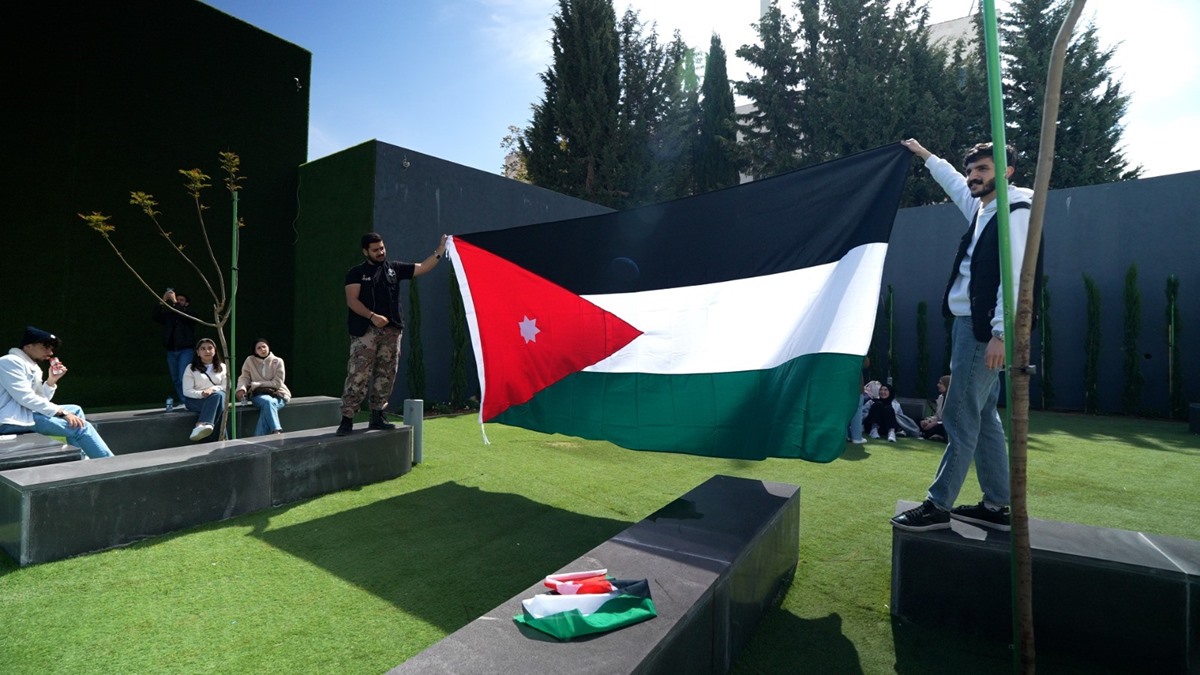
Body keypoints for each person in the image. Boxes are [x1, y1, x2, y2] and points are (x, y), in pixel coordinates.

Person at [891, 138, 1040, 533]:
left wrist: (1001, 334)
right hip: (970, 325)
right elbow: (956, 184)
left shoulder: (1015, 211)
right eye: (972, 170)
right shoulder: (984, 208)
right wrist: (926, 156)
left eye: (983, 170)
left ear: (1006, 172)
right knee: (984, 416)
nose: (974, 176)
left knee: (959, 416)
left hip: (982, 329)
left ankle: (938, 505)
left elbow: (1017, 276)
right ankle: (996, 505)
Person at [336, 231, 449, 436]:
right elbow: (352, 300)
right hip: (366, 331)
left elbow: (423, 267)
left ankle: (377, 415)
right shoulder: (356, 273)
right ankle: (347, 419)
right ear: (365, 252)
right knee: (358, 374)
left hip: (391, 331)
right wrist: (372, 316)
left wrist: (440, 250)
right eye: (375, 250)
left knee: (386, 374)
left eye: (382, 248)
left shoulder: (394, 269)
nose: (380, 252)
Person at [0, 326, 114, 459]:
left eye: (51, 348)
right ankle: (111, 464)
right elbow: (26, 398)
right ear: (28, 346)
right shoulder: (9, 362)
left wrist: (51, 381)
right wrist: (62, 412)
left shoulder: (30, 365)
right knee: (82, 428)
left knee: (75, 410)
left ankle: (81, 459)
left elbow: (40, 399)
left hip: (23, 415)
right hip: (7, 421)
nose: (50, 352)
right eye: (45, 347)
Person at [235, 338, 291, 436]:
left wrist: (257, 384)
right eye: (259, 348)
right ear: (255, 351)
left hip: (279, 394)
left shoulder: (278, 361)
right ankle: (276, 430)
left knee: (268, 405)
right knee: (268, 401)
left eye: (264, 346)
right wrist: (241, 388)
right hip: (259, 394)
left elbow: (277, 383)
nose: (262, 349)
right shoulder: (250, 360)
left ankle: (259, 437)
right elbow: (244, 377)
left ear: (268, 347)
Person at [152, 289, 198, 404]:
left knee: (183, 377)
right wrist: (163, 300)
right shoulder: (169, 316)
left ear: (186, 304)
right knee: (176, 379)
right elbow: (155, 316)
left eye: (181, 300)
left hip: (185, 350)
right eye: (177, 299)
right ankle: (183, 401)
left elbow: (183, 315)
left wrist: (174, 302)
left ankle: (188, 402)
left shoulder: (190, 314)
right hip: (171, 351)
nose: (178, 301)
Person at [183, 338, 227, 442]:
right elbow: (187, 391)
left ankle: (201, 425)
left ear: (215, 350)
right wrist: (202, 393)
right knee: (218, 404)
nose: (207, 351)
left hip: (217, 397)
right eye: (203, 349)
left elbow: (226, 386)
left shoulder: (223, 367)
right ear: (198, 352)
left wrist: (212, 389)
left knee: (218, 395)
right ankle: (221, 439)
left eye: (210, 348)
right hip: (196, 400)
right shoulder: (190, 368)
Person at [919, 375, 951, 441]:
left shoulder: (953, 400)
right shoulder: (940, 397)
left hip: (947, 425)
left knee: (939, 428)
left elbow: (950, 420)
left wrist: (936, 423)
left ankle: (937, 436)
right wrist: (928, 420)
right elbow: (937, 416)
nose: (938, 385)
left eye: (940, 383)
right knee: (920, 420)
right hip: (938, 422)